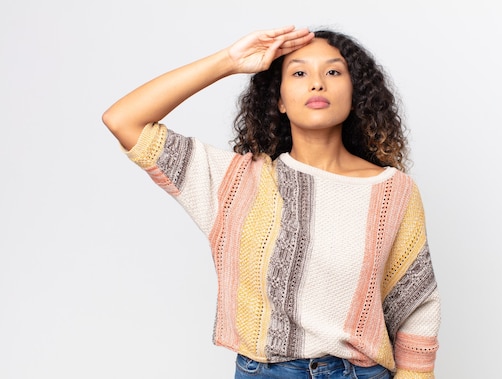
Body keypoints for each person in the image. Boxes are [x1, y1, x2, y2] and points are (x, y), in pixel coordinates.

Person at [102, 25, 441, 379]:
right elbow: (123, 119)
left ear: (355, 94)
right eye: (298, 72)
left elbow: (416, 302)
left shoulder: (392, 190)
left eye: (333, 71)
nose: (317, 82)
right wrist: (229, 61)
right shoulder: (236, 183)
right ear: (278, 100)